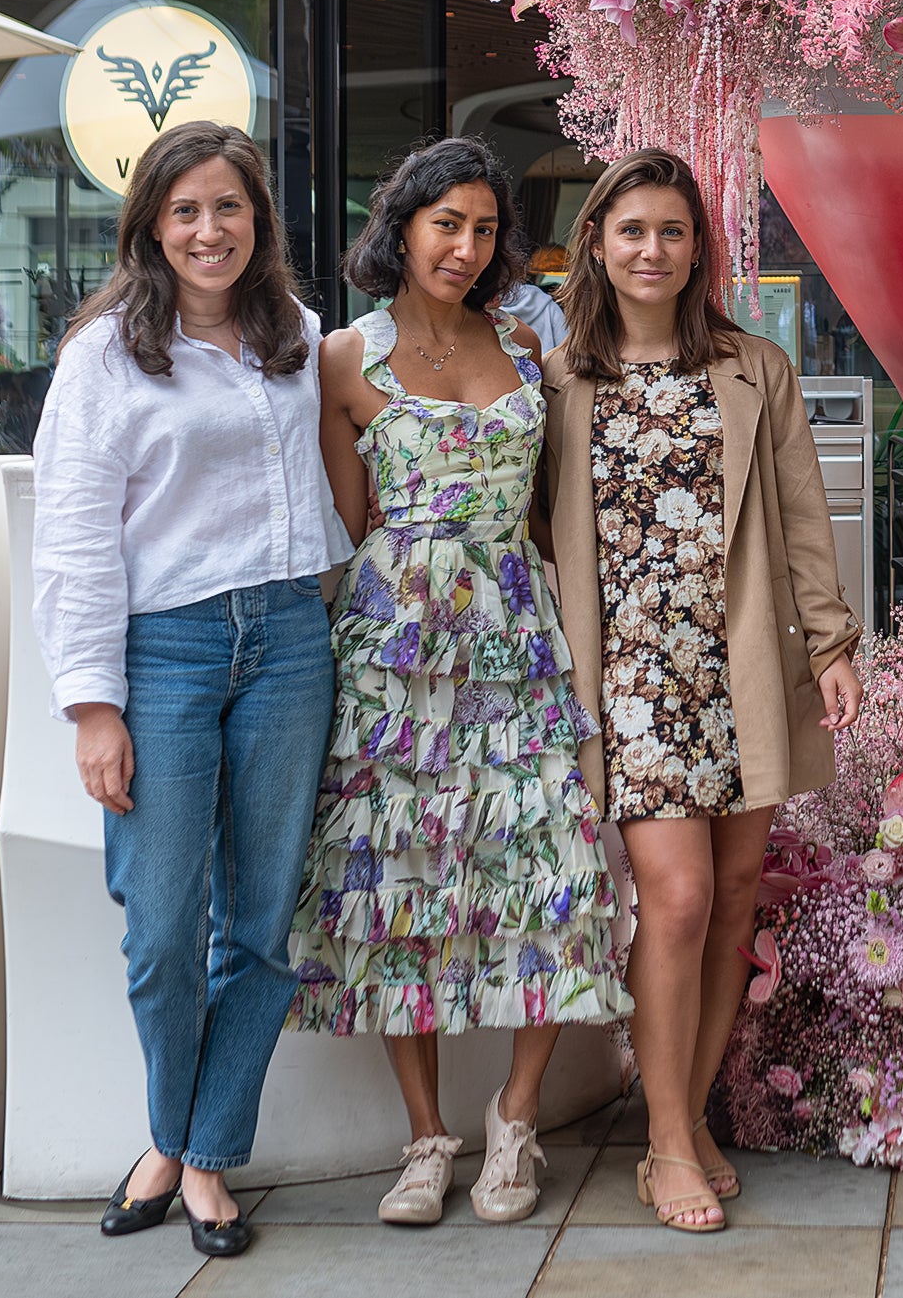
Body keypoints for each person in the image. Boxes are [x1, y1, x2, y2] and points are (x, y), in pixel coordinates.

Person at [288, 137, 631, 1226]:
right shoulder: (344, 359)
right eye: (448, 223)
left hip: (516, 631)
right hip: (397, 651)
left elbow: (548, 509)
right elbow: (351, 523)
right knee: (404, 885)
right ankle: (426, 1134)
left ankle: (514, 1121)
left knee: (550, 861)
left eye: (485, 229)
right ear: (403, 225)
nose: (466, 245)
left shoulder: (530, 343)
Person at [32, 121, 350, 1263]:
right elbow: (70, 535)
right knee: (163, 927)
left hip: (286, 638)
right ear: (152, 230)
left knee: (260, 926)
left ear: (258, 220)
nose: (208, 230)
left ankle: (204, 1158)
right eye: (184, 212)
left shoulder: (299, 339)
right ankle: (170, 1132)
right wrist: (92, 706)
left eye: (228, 207)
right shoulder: (106, 355)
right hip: (160, 653)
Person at [540, 148, 863, 1234]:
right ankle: (663, 1137)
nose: (651, 250)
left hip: (742, 664)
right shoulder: (560, 378)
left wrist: (831, 645)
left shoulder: (751, 369)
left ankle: (688, 1111)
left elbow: (803, 518)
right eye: (630, 229)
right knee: (673, 899)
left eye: (672, 232)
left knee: (729, 904)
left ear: (698, 249)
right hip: (629, 677)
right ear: (596, 240)